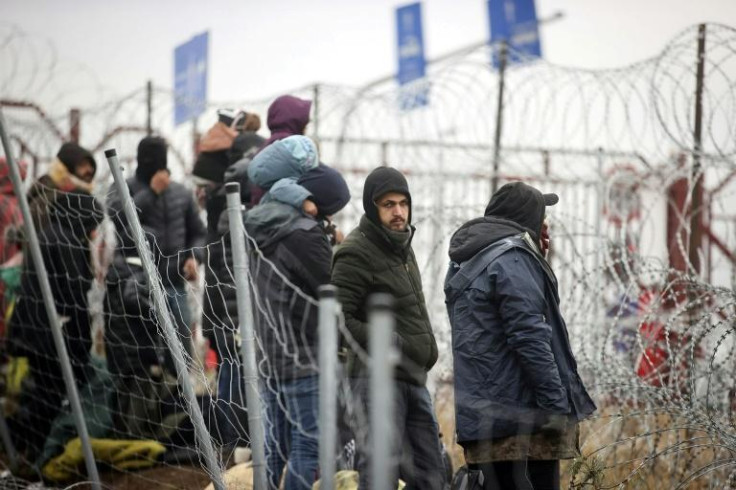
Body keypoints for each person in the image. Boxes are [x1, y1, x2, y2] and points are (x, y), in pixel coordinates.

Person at [444, 181, 597, 490]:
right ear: (526, 219)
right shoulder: (513, 259)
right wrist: (556, 407)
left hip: (488, 420)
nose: (547, 228)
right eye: (542, 219)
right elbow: (529, 338)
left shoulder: (471, 258)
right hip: (523, 423)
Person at [331, 166, 445, 490]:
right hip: (375, 382)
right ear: (372, 207)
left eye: (403, 203)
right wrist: (387, 341)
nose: (398, 212)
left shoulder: (401, 246)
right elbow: (337, 320)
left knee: (431, 473)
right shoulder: (357, 251)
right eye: (388, 205)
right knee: (379, 473)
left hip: (412, 379)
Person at [244, 163, 350, 489]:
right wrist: (338, 247)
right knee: (308, 443)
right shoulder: (306, 234)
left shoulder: (268, 225)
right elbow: (329, 288)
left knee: (275, 445)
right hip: (303, 353)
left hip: (270, 349)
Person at [7, 190, 104, 460]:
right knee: (53, 395)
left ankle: (24, 446)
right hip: (52, 334)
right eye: (93, 225)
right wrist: (80, 339)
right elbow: (73, 295)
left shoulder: (49, 234)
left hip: (37, 330)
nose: (94, 233)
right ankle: (33, 450)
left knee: (45, 390)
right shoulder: (66, 241)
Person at [107, 136, 206, 373]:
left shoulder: (181, 193)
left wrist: (194, 257)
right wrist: (151, 192)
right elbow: (117, 218)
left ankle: (179, 404)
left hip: (174, 284)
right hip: (137, 286)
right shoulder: (124, 186)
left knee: (180, 353)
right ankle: (146, 403)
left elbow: (199, 234)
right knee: (141, 354)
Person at [249, 94, 312, 206]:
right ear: (295, 120)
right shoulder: (293, 147)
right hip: (287, 214)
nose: (306, 127)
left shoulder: (268, 146)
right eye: (304, 122)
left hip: (264, 211)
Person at [27, 142, 96, 228]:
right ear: (68, 167)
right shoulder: (49, 198)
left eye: (91, 166)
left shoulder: (80, 198)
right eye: (82, 165)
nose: (89, 170)